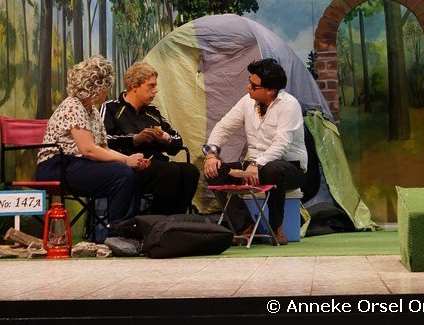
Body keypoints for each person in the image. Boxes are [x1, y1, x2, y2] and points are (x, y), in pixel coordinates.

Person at [36, 55, 149, 241]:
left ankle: (127, 231)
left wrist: (130, 161)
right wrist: (125, 160)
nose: (108, 91)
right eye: (106, 87)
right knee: (122, 174)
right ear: (96, 87)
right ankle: (114, 234)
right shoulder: (73, 106)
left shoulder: (93, 112)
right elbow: (88, 149)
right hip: (55, 165)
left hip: (76, 164)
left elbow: (103, 148)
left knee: (131, 174)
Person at [203, 58, 306, 245]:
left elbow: (281, 144)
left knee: (273, 169)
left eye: (253, 85)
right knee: (214, 171)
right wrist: (211, 155)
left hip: (289, 168)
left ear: (270, 90)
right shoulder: (247, 101)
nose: (248, 87)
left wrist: (256, 163)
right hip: (254, 166)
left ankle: (276, 227)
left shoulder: (289, 105)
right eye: (249, 82)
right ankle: (246, 227)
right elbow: (224, 127)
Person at [102, 62, 200, 215]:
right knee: (170, 171)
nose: (156, 91)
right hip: (128, 165)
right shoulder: (111, 108)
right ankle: (158, 219)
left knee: (191, 171)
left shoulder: (153, 111)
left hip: (156, 164)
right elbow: (103, 140)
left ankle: (176, 218)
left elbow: (177, 140)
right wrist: (135, 139)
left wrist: (165, 139)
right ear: (134, 86)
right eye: (151, 86)